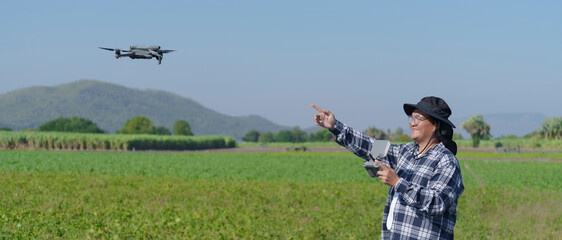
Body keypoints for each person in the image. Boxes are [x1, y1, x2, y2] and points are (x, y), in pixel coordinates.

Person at [312, 96, 464, 239]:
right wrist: (335, 126)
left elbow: (437, 203)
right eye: (412, 117)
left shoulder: (446, 161)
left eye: (418, 118)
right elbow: (370, 146)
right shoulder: (406, 152)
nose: (412, 123)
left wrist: (398, 183)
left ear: (436, 124)